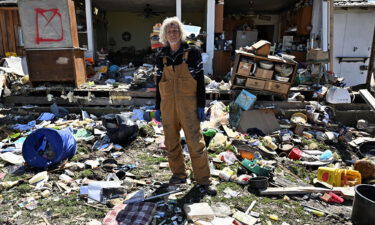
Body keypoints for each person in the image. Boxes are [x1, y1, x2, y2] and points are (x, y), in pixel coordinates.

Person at [154, 17, 216, 196]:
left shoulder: (193, 52)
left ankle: (204, 180)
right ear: (164, 34)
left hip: (189, 105)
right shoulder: (161, 56)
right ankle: (179, 175)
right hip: (167, 106)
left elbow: (200, 82)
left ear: (180, 32)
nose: (172, 33)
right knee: (171, 142)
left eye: (175, 30)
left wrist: (200, 105)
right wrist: (157, 107)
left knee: (195, 143)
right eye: (169, 30)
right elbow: (159, 83)